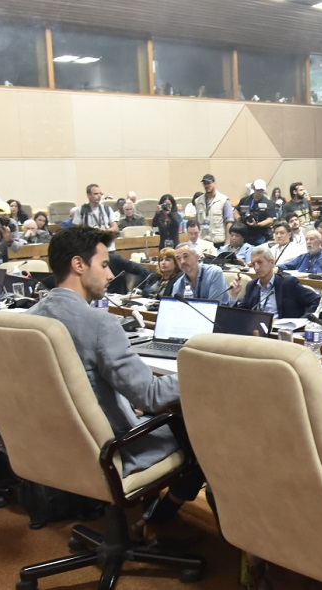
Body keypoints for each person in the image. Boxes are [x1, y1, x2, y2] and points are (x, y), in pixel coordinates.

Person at [28, 226, 203, 529]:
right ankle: (158, 520)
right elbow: (151, 396)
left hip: (59, 443)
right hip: (113, 450)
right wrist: (201, 374)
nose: (111, 275)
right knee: (201, 436)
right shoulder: (100, 323)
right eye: (105, 265)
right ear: (78, 264)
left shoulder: (30, 317)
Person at [230, 245, 319, 318]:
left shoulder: (288, 284)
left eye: (260, 262)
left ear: (272, 263)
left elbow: (317, 300)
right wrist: (234, 296)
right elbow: (241, 315)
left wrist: (303, 321)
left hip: (281, 331)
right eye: (253, 264)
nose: (256, 268)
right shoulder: (252, 285)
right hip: (256, 330)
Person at [193, 174, 234, 247]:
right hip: (203, 240)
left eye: (208, 183)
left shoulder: (224, 200)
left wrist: (228, 241)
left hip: (218, 241)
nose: (206, 186)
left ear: (214, 183)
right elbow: (197, 222)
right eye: (204, 184)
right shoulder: (198, 201)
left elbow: (229, 222)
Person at [236, 179, 277, 246]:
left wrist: (257, 224)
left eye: (261, 191)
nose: (259, 193)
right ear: (253, 188)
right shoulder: (245, 200)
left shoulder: (268, 203)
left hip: (260, 235)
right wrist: (239, 219)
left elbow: (270, 220)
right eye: (258, 190)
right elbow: (236, 211)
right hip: (245, 234)